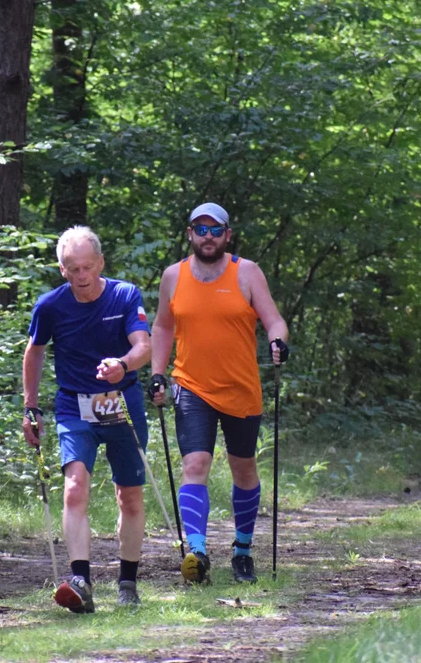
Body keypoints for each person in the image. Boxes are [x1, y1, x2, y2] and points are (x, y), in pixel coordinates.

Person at [150, 202, 289, 584]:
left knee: (243, 469)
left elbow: (273, 319)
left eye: (216, 230)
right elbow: (162, 328)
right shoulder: (173, 276)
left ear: (228, 235)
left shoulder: (246, 272)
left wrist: (278, 342)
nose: (207, 237)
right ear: (190, 234)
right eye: (200, 229)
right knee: (195, 466)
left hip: (241, 388)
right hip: (192, 386)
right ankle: (197, 553)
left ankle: (242, 550)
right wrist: (158, 373)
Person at [22, 226, 152, 612]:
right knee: (75, 486)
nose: (81, 276)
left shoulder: (125, 295)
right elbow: (34, 352)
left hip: (121, 402)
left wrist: (123, 364)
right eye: (73, 269)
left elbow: (144, 346)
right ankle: (80, 581)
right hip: (73, 406)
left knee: (128, 495)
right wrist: (31, 408)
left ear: (100, 263)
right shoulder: (50, 306)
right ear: (62, 270)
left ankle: (127, 582)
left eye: (87, 267)